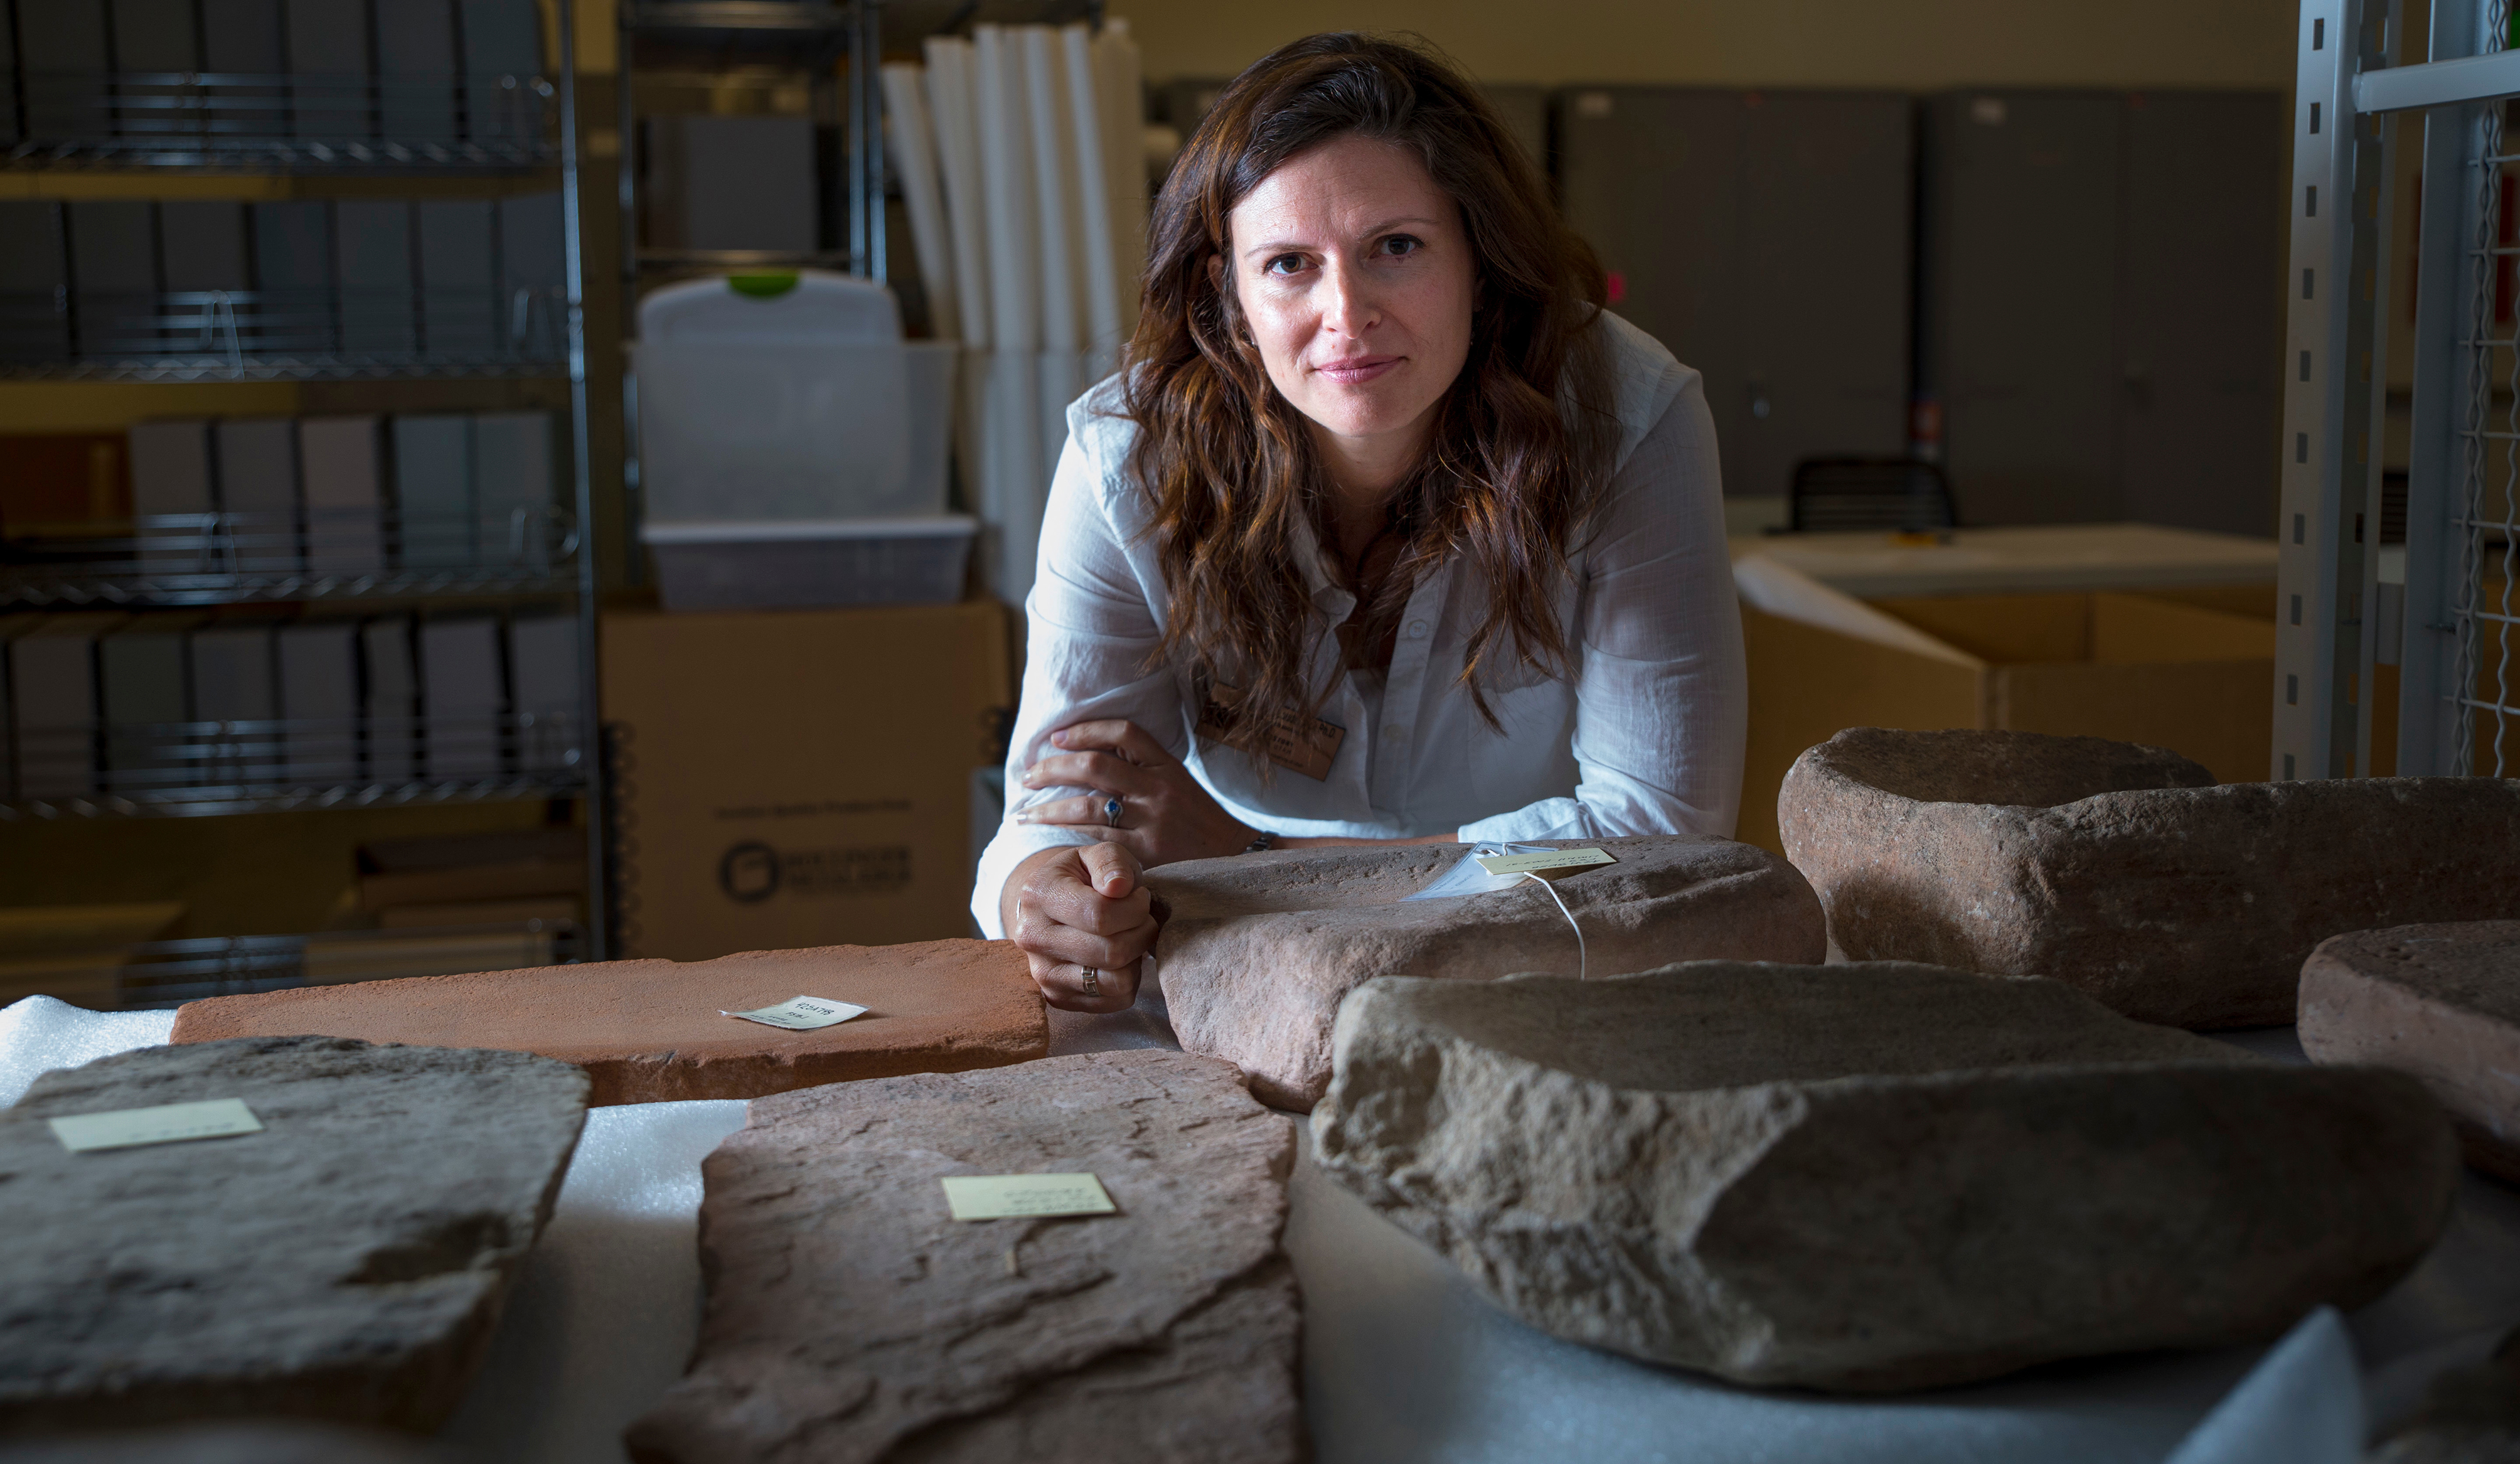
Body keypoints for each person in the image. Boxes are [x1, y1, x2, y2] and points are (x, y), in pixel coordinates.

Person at [970, 32, 1745, 1014]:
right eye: (1290, 263)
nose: (1346, 314)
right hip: (1239, 971)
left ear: (1481, 257)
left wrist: (1260, 859)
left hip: (1545, 977)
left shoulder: (1627, 421)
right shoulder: (1129, 458)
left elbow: (1663, 833)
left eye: (1396, 247)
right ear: (1230, 293)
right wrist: (1047, 901)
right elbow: (1056, 808)